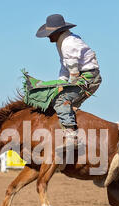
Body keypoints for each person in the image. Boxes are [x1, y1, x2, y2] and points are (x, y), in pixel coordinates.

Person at [36, 14, 101, 148]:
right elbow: (64, 67)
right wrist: (60, 82)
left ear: (57, 32)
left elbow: (73, 72)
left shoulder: (68, 44)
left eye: (50, 33)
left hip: (87, 77)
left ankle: (72, 137)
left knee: (61, 100)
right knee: (64, 103)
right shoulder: (64, 42)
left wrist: (62, 87)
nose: (48, 36)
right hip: (87, 76)